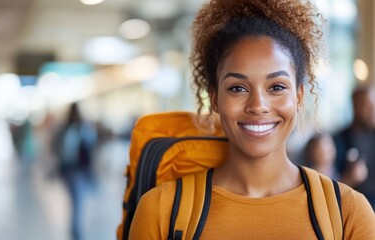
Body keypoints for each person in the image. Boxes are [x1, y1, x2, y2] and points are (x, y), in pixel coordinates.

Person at [129, 0, 375, 239]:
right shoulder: (161, 210)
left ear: (299, 96)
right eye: (237, 88)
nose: (258, 106)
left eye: (277, 87)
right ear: (214, 99)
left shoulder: (349, 213)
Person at [53, 102, 97, 240]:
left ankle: (75, 232)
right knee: (77, 203)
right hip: (78, 170)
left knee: (74, 202)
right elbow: (90, 146)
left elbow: (56, 148)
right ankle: (76, 234)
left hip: (67, 170)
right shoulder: (83, 128)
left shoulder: (63, 128)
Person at [333, 86, 375, 208]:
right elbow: (328, 191)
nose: (373, 111)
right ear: (355, 106)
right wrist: (349, 178)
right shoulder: (338, 140)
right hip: (352, 210)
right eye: (368, 106)